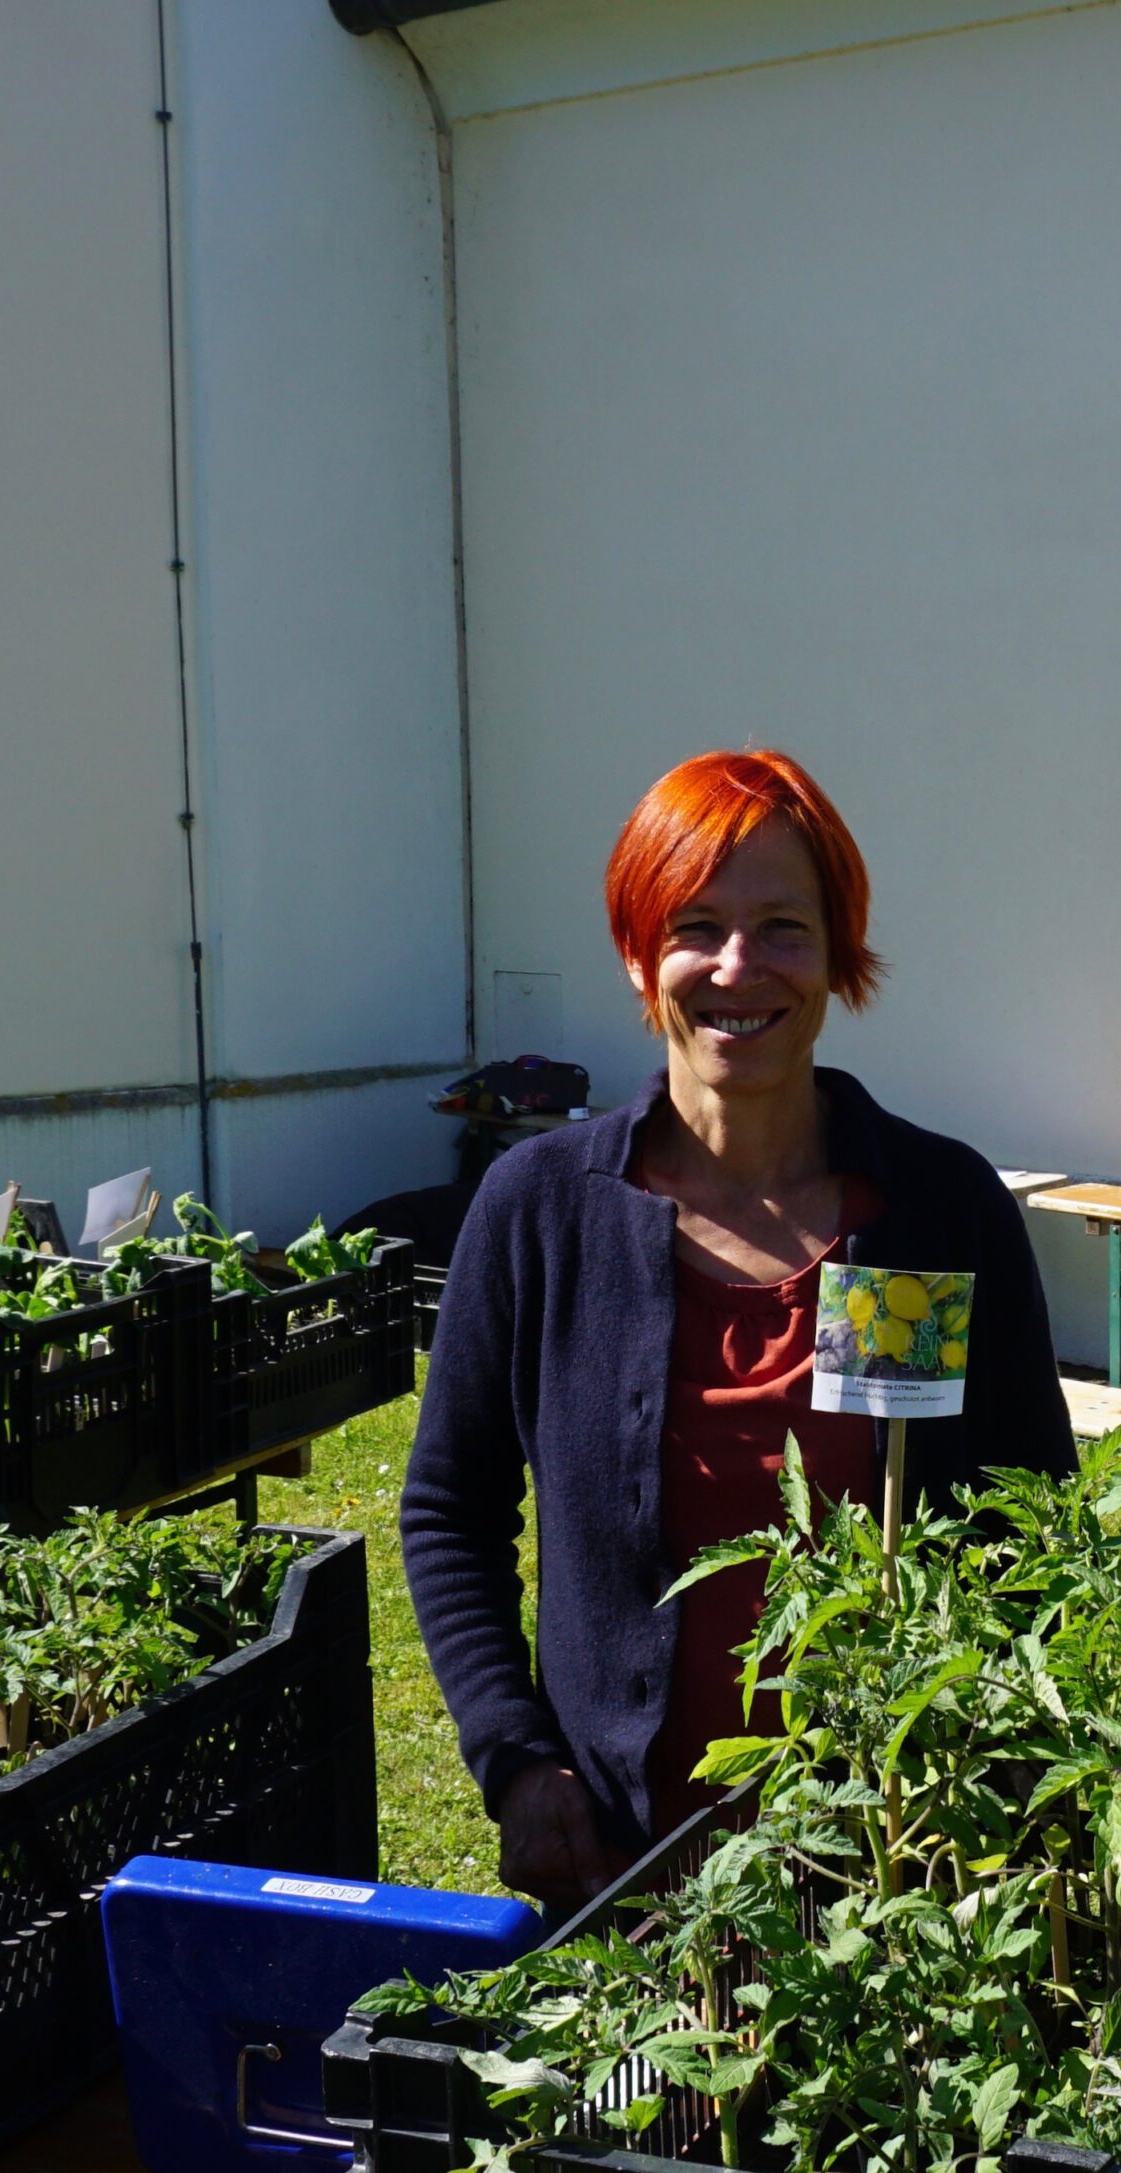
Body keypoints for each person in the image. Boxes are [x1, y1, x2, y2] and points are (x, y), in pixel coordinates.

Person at [402, 749, 1075, 1911]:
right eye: (695, 926)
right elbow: (450, 1508)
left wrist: (986, 1793)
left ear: (838, 954)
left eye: (783, 928)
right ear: (637, 952)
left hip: (897, 1876)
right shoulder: (542, 1211)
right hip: (624, 1870)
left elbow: (1035, 1521)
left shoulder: (933, 1210)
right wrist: (515, 1759)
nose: (736, 966)